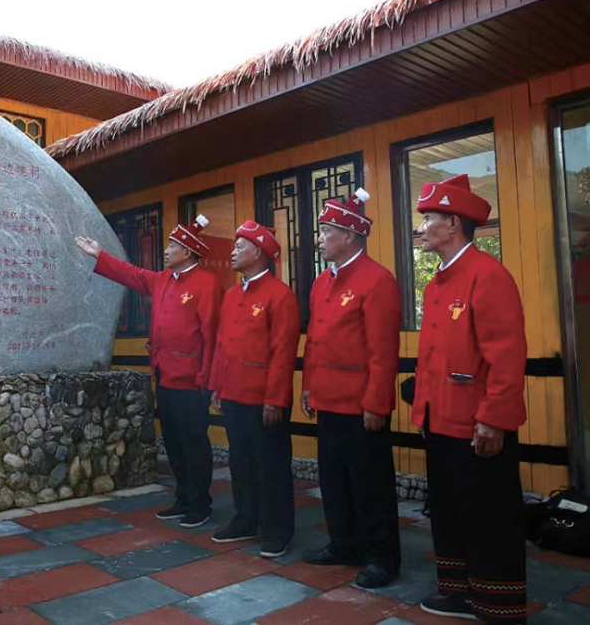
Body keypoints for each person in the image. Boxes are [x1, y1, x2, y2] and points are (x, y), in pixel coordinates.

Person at [412, 174, 527, 623]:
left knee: (490, 516)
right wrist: (421, 409)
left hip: (477, 424)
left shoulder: (488, 275)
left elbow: (506, 356)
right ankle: (458, 592)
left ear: (454, 224)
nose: (421, 228)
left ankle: (499, 603)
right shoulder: (438, 282)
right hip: (440, 421)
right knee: (450, 511)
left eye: (429, 218)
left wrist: (494, 419)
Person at [75, 216, 222, 528]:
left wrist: (209, 381)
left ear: (188, 251)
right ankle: (182, 499)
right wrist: (100, 254)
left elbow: (211, 336)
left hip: (192, 379)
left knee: (194, 442)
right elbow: (132, 275)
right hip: (166, 375)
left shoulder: (206, 283)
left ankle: (200, 503)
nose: (166, 251)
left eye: (172, 245)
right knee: (174, 442)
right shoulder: (162, 280)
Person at [300, 188, 402, 589]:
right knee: (334, 479)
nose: (320, 237)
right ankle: (344, 543)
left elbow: (383, 351)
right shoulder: (323, 281)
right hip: (328, 399)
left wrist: (377, 403)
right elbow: (314, 341)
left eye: (326, 230)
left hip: (362, 404)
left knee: (370, 484)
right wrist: (309, 387)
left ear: (350, 235)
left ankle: (382, 557)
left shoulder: (378, 281)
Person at [208, 221, 299, 557]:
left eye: (239, 246)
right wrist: (218, 384)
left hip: (264, 399)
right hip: (233, 394)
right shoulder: (232, 295)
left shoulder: (280, 295)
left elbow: (282, 352)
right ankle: (246, 519)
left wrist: (275, 398)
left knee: (271, 465)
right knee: (240, 461)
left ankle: (277, 530)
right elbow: (221, 343)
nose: (232, 252)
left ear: (257, 253)